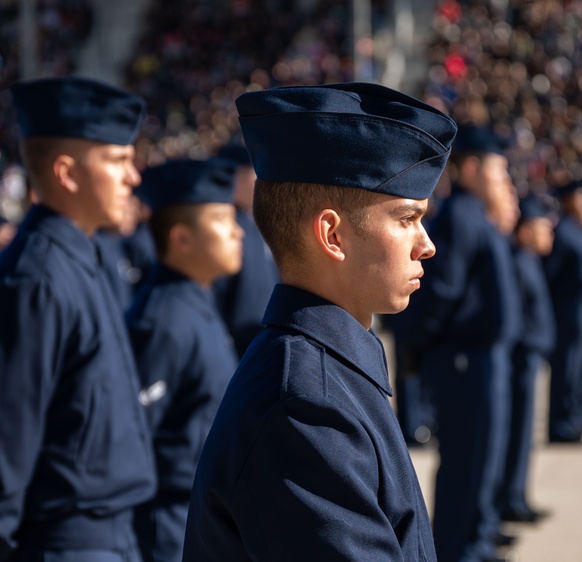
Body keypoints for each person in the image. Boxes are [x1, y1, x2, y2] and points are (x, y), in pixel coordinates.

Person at [182, 82, 456, 561]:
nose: (426, 244)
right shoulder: (305, 408)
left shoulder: (325, 369)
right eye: (406, 218)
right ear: (332, 234)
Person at [0, 76, 156, 560]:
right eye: (117, 161)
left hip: (111, 533)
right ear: (67, 173)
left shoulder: (80, 257)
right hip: (69, 540)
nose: (133, 177)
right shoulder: (39, 276)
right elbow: (9, 440)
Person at [398, 125, 521, 562]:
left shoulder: (477, 216)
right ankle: (455, 552)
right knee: (465, 467)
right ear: (470, 169)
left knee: (481, 464)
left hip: (482, 357)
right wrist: (421, 345)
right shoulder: (460, 216)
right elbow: (444, 290)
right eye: (496, 168)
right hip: (463, 359)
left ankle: (474, 545)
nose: (504, 176)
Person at [126, 158, 244, 562]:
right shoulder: (164, 318)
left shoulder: (196, 298)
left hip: (199, 514)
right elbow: (133, 435)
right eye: (221, 220)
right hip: (169, 525)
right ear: (182, 238)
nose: (237, 232)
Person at [495, 194, 556, 525]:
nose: (549, 234)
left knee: (524, 432)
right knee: (517, 432)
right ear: (524, 231)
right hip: (521, 358)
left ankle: (517, 494)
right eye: (542, 228)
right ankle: (510, 498)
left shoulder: (529, 259)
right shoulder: (518, 261)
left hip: (530, 356)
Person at [544, 180, 582, 444]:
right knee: (566, 368)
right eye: (580, 198)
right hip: (569, 307)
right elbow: (552, 274)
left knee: (578, 368)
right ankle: (561, 424)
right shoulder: (565, 231)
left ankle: (573, 416)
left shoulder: (578, 230)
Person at [212, 142, 280, 357]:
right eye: (252, 175)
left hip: (264, 339)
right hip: (237, 346)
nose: (258, 183)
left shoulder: (258, 222)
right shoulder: (225, 227)